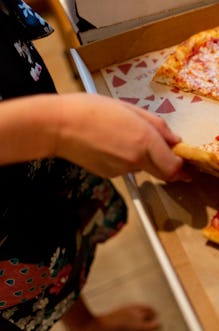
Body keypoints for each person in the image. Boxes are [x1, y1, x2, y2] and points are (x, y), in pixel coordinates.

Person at [0, 0, 187, 330]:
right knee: (28, 273)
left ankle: (85, 323)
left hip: (23, 114)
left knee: (57, 256)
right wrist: (57, 125)